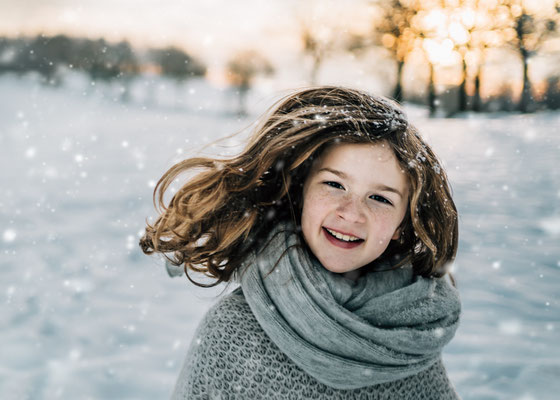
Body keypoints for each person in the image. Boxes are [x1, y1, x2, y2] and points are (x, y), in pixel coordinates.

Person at [140, 86, 462, 399]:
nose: (351, 214)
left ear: (401, 224)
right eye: (334, 184)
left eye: (379, 198)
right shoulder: (234, 331)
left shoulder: (410, 334)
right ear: (301, 191)